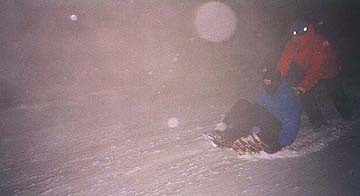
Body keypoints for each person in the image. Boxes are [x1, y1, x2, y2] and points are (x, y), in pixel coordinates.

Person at [277, 19, 353, 128]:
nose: (293, 39)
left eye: (296, 35)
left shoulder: (318, 43)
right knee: (303, 94)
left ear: (303, 34)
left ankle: (347, 113)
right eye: (292, 35)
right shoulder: (292, 43)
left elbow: (317, 70)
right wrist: (276, 78)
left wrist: (303, 87)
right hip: (306, 68)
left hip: (328, 70)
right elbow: (285, 60)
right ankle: (317, 121)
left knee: (335, 92)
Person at [209, 68, 301, 154]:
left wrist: (280, 143)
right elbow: (253, 111)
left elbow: (292, 122)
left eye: (269, 82)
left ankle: (233, 136)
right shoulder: (265, 92)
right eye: (265, 82)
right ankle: (225, 128)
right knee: (243, 103)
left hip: (275, 131)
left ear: (276, 81)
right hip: (264, 124)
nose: (266, 84)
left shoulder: (287, 96)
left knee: (256, 110)